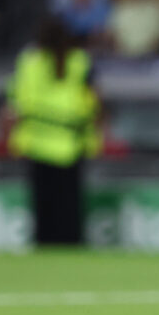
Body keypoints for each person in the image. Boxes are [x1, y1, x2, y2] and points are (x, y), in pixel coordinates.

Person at [7, 17, 100, 244]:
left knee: (44, 205)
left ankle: (44, 246)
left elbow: (16, 102)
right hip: (70, 143)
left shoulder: (30, 61)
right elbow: (93, 102)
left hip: (37, 141)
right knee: (69, 205)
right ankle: (71, 244)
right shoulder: (80, 61)